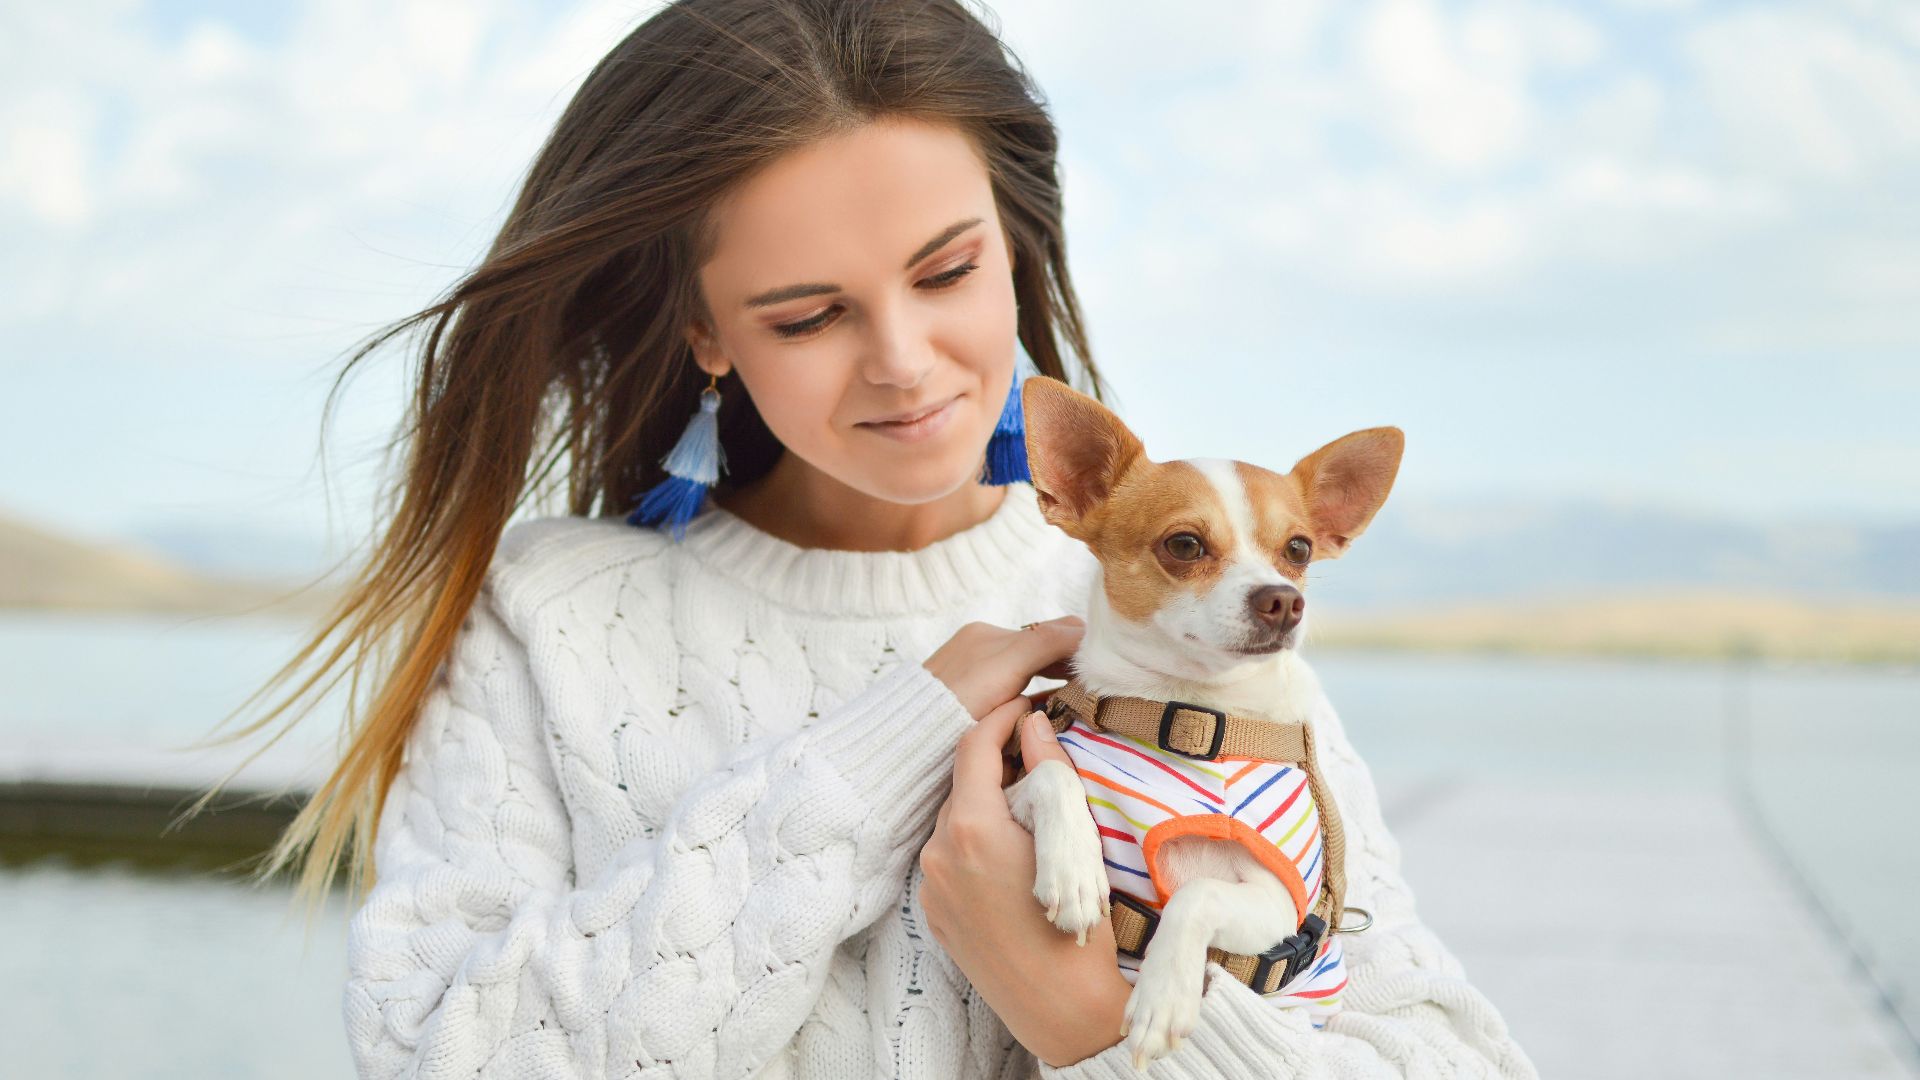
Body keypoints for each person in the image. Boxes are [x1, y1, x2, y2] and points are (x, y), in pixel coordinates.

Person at [195, 1, 1537, 1076]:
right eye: (805, 314)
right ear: (707, 336)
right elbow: (442, 1057)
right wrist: (876, 753)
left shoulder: (1178, 621)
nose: (904, 361)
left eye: (948, 272)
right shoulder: (549, 624)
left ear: (1016, 247)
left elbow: (1445, 1054)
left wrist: (1092, 1025)